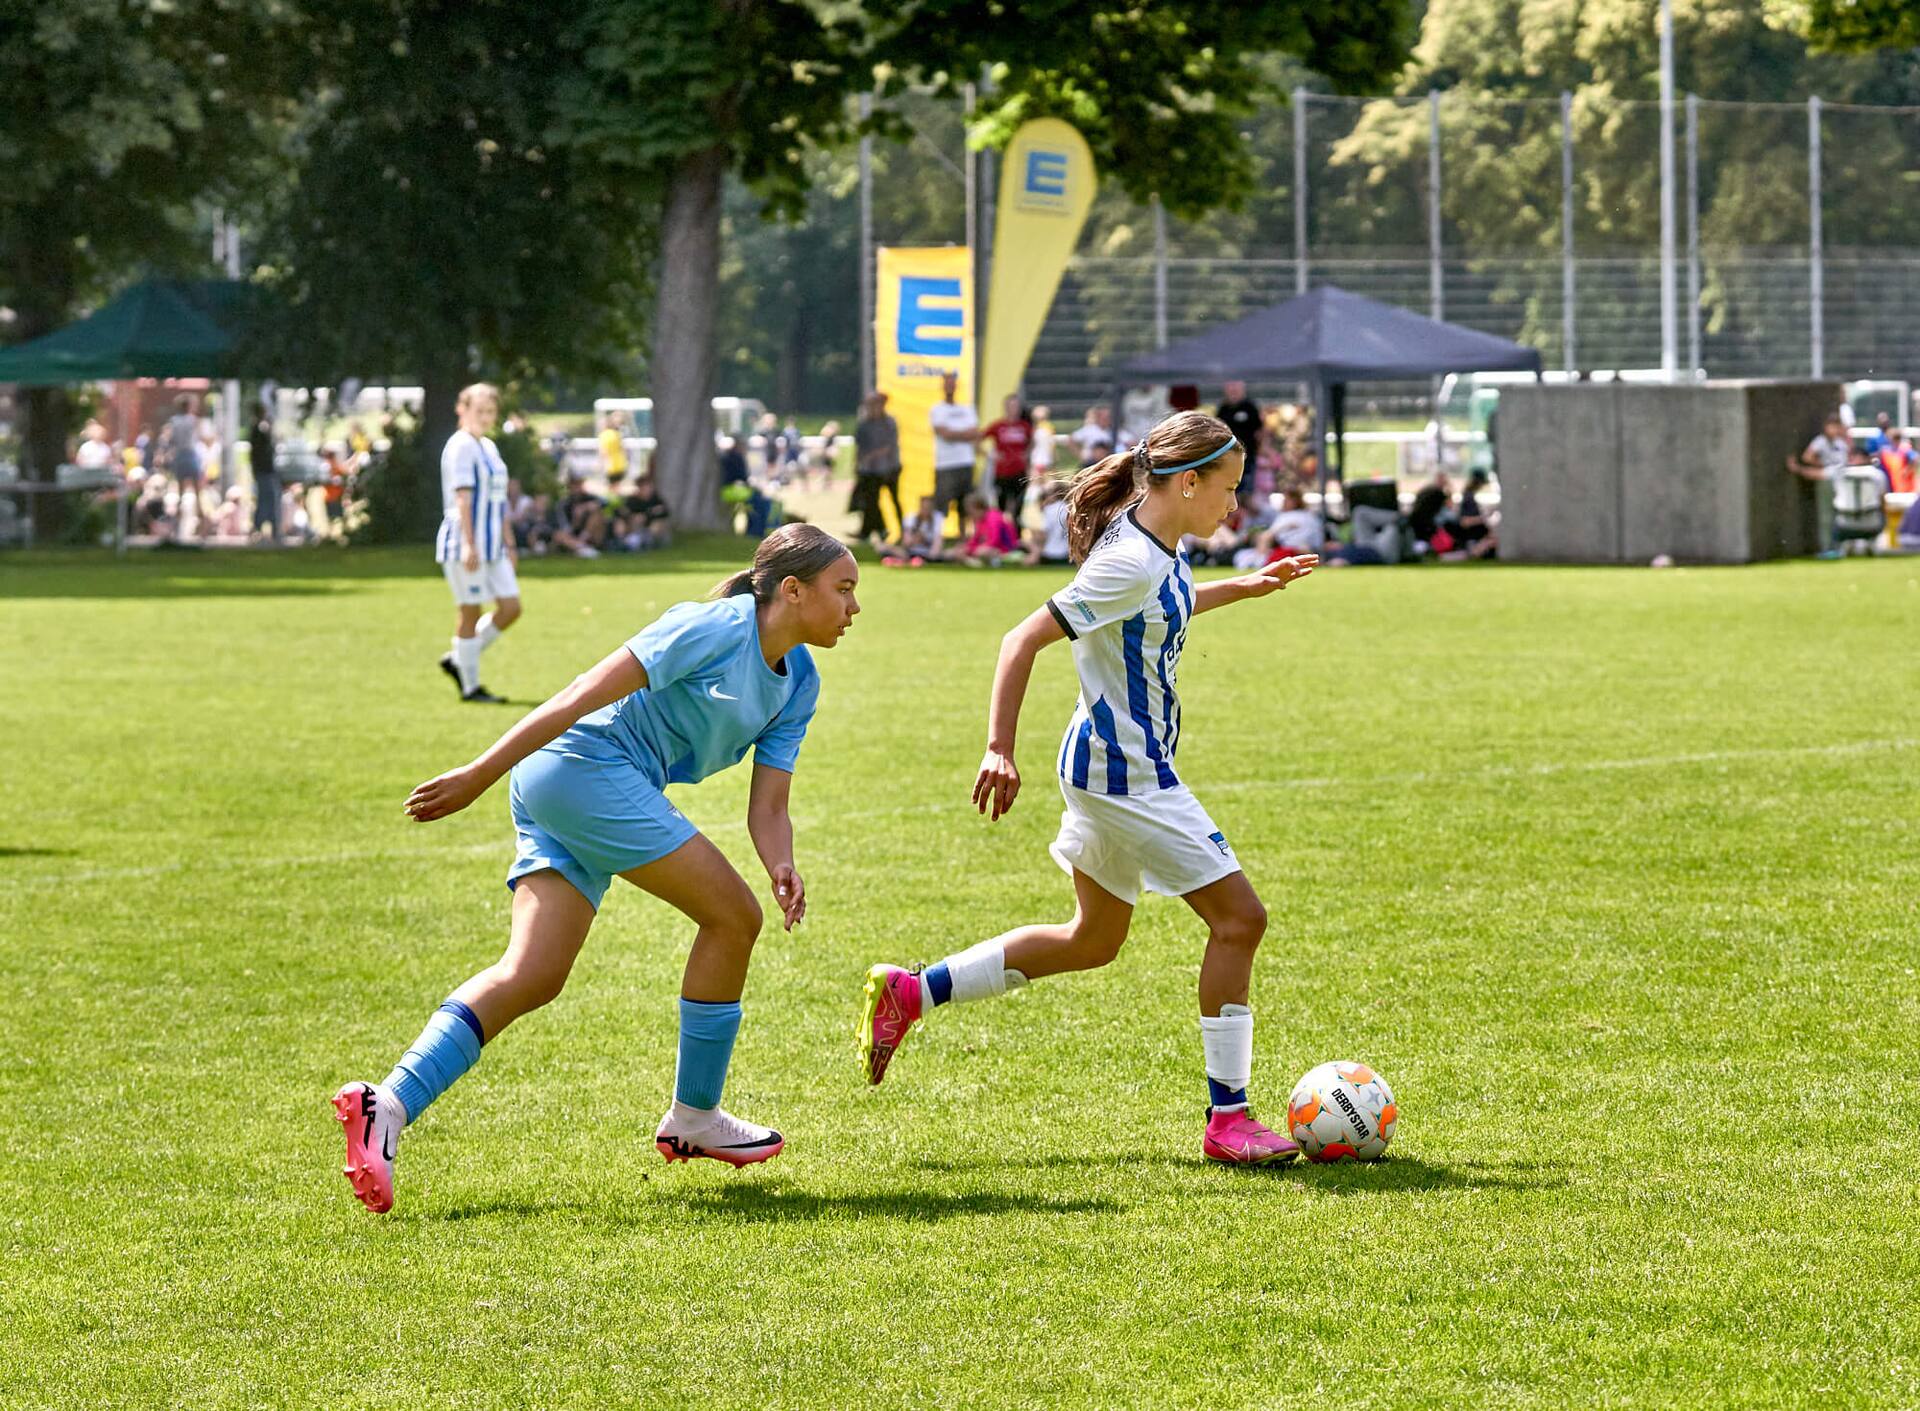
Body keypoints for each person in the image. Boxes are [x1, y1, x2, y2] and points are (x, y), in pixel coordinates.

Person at [331, 526, 860, 1212]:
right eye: (843, 589)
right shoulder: (712, 628)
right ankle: (695, 1117)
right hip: (583, 768)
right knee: (732, 917)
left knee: (532, 974)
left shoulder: (800, 685)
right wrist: (480, 773)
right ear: (792, 590)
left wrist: (781, 861)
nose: (853, 608)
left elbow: (770, 804)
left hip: (584, 784)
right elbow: (581, 692)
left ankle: (388, 1104)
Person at [856, 411, 1319, 1166]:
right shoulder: (1131, 558)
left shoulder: (1156, 542)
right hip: (1125, 773)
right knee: (1240, 920)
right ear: (1187, 480)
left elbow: (1161, 605)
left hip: (1108, 765)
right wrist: (999, 748)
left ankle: (913, 992)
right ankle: (1228, 1119)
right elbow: (1021, 639)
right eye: (1227, 489)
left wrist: (1246, 586)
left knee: (1093, 939)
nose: (1235, 506)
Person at [434, 383, 522, 705]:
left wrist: (509, 543)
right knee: (470, 611)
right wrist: (469, 545)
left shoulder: (488, 446)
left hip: (494, 544)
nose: (484, 417)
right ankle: (470, 686)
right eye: (478, 410)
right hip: (465, 542)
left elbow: (498, 502)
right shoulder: (460, 446)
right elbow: (463, 498)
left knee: (511, 607)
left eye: (489, 411)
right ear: (462, 409)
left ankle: (459, 658)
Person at [930, 371, 980, 538]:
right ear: (943, 385)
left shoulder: (967, 409)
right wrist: (963, 434)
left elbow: (974, 433)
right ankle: (937, 537)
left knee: (965, 503)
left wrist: (954, 434)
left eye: (953, 382)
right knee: (941, 503)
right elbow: (944, 433)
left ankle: (963, 536)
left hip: (965, 462)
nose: (950, 386)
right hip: (945, 464)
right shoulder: (937, 409)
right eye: (947, 382)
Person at [852, 391, 903, 542]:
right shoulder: (864, 424)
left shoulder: (889, 423)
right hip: (870, 470)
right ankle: (875, 530)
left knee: (895, 500)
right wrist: (858, 464)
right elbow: (859, 447)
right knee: (871, 502)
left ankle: (903, 531)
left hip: (890, 468)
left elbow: (889, 446)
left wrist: (871, 456)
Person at [980, 395, 1034, 525]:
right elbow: (979, 439)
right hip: (1002, 472)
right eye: (1011, 406)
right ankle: (1002, 534)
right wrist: (990, 455)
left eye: (1016, 406)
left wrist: (1027, 454)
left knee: (1018, 507)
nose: (1013, 409)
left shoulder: (1024, 426)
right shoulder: (998, 426)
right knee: (1001, 506)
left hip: (1019, 472)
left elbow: (1032, 442)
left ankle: (1016, 535)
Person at [163, 395, 203, 542]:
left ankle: (178, 526)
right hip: (191, 455)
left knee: (180, 492)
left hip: (179, 456)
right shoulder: (193, 420)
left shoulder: (174, 421)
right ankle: (200, 524)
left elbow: (171, 440)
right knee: (198, 491)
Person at [1215, 380, 1262, 493]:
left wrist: (1261, 449)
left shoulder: (1249, 407)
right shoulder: (1223, 409)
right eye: (1231, 388)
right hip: (1227, 456)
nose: (1233, 391)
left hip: (1248, 456)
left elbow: (1260, 431)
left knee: (1246, 488)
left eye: (1236, 388)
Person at [956, 493, 1021, 567]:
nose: (971, 516)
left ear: (979, 508)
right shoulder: (979, 521)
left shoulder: (993, 518)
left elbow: (995, 540)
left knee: (982, 551)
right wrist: (968, 547)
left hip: (1006, 549)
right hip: (992, 548)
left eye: (971, 513)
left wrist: (974, 550)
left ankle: (979, 562)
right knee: (959, 550)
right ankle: (973, 561)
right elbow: (975, 539)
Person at [615, 472, 673, 550]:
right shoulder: (633, 500)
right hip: (634, 525)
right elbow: (621, 511)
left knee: (656, 525)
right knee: (622, 522)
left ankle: (647, 542)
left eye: (648, 487)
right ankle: (624, 542)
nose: (646, 490)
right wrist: (632, 516)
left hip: (651, 524)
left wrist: (647, 515)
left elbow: (664, 512)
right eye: (643, 487)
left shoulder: (656, 499)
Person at [249, 405, 279, 543]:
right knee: (268, 499)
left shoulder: (255, 429)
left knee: (264, 499)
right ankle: (267, 529)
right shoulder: (260, 428)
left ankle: (261, 528)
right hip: (265, 470)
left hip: (262, 470)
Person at [1024, 480, 1071, 566]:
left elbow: (1043, 535)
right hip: (1067, 554)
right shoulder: (1069, 508)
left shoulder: (1049, 510)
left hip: (1050, 553)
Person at [598, 413, 628, 484]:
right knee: (618, 485)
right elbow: (622, 449)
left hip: (610, 465)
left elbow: (603, 451)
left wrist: (601, 464)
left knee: (612, 486)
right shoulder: (617, 434)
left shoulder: (603, 435)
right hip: (621, 463)